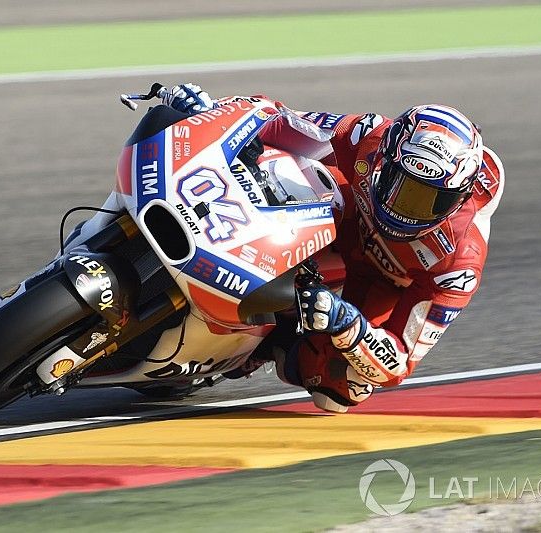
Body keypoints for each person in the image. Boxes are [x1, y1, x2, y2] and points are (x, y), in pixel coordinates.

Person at [162, 84, 505, 413]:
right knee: (285, 164)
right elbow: (279, 121)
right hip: (342, 221)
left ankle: (262, 346)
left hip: (378, 287)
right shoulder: (367, 134)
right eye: (400, 186)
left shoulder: (458, 264)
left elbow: (398, 363)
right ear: (385, 158)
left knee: (345, 386)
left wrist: (347, 325)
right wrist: (212, 112)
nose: (405, 207)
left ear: (457, 199)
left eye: (427, 200)